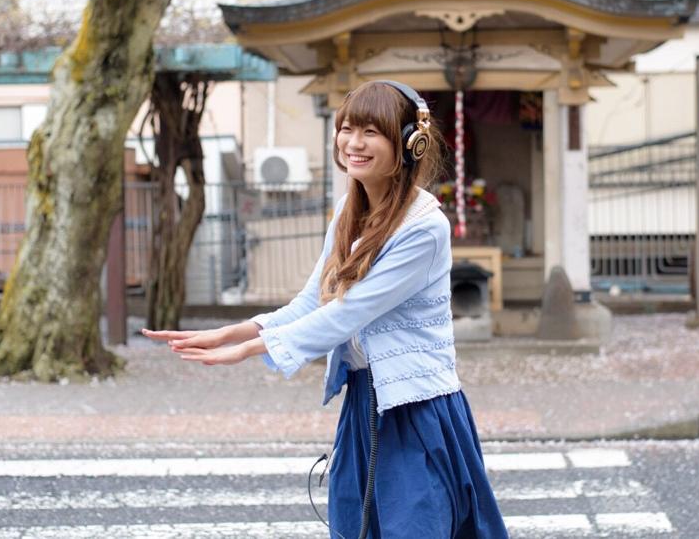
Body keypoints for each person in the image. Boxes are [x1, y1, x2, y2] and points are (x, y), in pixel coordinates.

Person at [143, 80, 508, 539]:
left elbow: (349, 313)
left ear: (409, 143)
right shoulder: (348, 211)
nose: (354, 143)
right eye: (347, 129)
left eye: (371, 132)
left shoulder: (425, 227)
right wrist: (231, 332)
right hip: (363, 400)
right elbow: (314, 301)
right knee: (357, 527)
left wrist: (252, 349)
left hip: (417, 409)